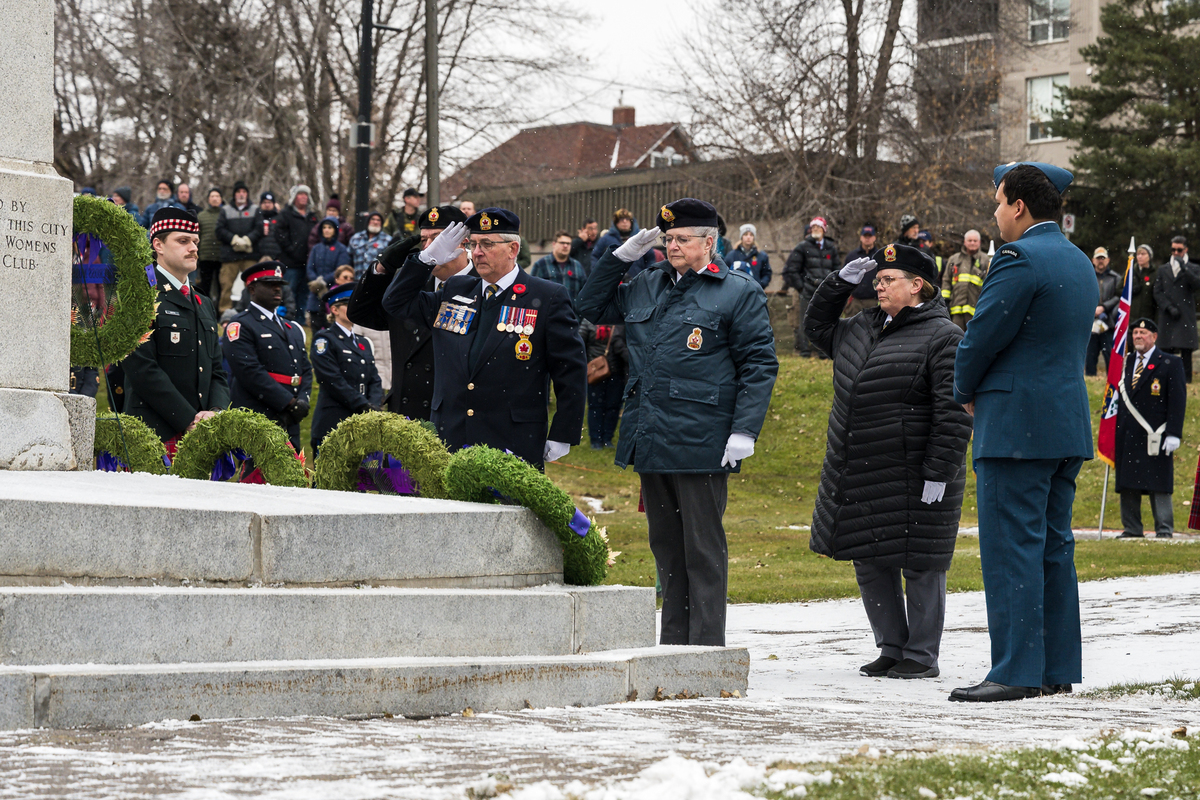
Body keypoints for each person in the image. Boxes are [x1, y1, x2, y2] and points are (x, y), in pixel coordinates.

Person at [575, 198, 778, 646]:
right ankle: (674, 643)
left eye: (683, 239)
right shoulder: (648, 282)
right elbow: (588, 305)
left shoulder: (737, 290)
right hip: (651, 432)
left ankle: (705, 647)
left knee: (702, 549)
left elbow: (759, 364)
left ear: (709, 242)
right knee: (666, 547)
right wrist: (619, 259)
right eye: (668, 239)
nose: (672, 246)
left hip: (702, 436)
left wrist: (744, 429)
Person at [951, 162, 1098, 703]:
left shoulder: (1017, 257)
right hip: (1063, 424)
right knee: (1053, 549)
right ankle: (1054, 668)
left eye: (998, 201)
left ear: (1019, 206)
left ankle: (1015, 670)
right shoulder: (1079, 261)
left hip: (1016, 425)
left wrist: (964, 389)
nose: (994, 212)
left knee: (1012, 548)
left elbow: (981, 336)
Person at [805, 243, 972, 680]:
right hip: (861, 469)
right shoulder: (862, 326)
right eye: (876, 280)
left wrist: (940, 472)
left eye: (887, 280)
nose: (878, 287)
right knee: (869, 558)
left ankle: (921, 654)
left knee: (920, 563)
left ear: (917, 285)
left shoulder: (944, 336)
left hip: (914, 472)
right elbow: (816, 327)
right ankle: (891, 646)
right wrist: (838, 284)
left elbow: (952, 412)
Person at [381, 208, 586, 469]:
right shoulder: (456, 289)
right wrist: (425, 259)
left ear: (513, 249)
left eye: (487, 244)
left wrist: (563, 431)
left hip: (511, 440)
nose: (477, 252)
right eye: (473, 244)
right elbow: (394, 303)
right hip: (451, 436)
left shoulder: (546, 296)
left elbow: (570, 369)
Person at [348, 205, 473, 420]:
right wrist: (383, 268)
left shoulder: (483, 286)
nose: (429, 247)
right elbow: (360, 313)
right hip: (408, 412)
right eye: (424, 240)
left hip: (455, 414)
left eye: (438, 239)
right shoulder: (408, 287)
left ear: (463, 241)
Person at [122, 208, 230, 451]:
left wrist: (215, 412)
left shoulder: (203, 302)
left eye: (195, 242)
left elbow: (216, 371)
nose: (193, 248)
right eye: (183, 241)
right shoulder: (138, 295)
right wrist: (188, 418)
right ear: (158, 245)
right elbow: (141, 369)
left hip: (202, 435)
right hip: (154, 434)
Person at [221, 262, 313, 452]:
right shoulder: (241, 324)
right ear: (252, 289)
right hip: (258, 413)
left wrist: (302, 401)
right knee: (256, 469)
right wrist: (288, 402)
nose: (277, 288)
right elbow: (249, 371)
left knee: (294, 467)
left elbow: (305, 368)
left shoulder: (292, 328)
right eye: (270, 284)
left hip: (290, 417)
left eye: (279, 284)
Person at [1115, 319, 1185, 539]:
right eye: (1135, 332)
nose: (1138, 336)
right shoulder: (1125, 362)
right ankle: (1132, 529)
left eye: (1143, 333)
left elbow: (1177, 400)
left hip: (1155, 434)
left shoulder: (1170, 362)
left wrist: (1174, 433)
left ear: (1154, 337)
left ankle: (1164, 529)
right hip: (1128, 433)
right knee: (1128, 483)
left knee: (1159, 483)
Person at [310, 282, 383, 456]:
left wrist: (373, 404)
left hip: (362, 423)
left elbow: (374, 379)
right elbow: (332, 380)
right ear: (334, 310)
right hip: (334, 421)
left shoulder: (363, 342)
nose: (354, 309)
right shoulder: (325, 339)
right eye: (348, 305)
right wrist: (363, 405)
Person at [783, 216, 839, 357]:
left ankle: (822, 351)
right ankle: (804, 350)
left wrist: (832, 286)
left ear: (824, 229)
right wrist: (801, 287)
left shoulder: (831, 248)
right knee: (805, 320)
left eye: (818, 227)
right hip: (807, 290)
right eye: (813, 227)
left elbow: (837, 269)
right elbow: (792, 269)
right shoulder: (803, 247)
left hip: (824, 291)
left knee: (824, 320)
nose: (815, 229)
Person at [1154, 236, 1200, 383]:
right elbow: (1157, 292)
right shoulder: (1163, 269)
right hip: (1168, 314)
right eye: (1173, 249)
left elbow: (1196, 285)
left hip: (1185, 315)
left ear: (1185, 250)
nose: (1175, 253)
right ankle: (1166, 379)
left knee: (1185, 350)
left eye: (1179, 250)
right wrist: (1168, 307)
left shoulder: (1194, 268)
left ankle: (1186, 380)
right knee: (1166, 349)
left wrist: (1185, 268)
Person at [578, 318, 628, 448]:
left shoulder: (618, 322)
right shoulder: (591, 321)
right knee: (597, 406)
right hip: (597, 372)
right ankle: (597, 439)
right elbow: (580, 343)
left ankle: (605, 438)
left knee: (612, 406)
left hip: (614, 371)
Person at [215, 180, 261, 313]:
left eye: (244, 192)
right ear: (234, 194)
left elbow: (259, 229)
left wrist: (248, 239)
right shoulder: (225, 210)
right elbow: (219, 230)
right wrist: (233, 239)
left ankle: (254, 311)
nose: (241, 194)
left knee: (253, 285)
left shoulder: (255, 209)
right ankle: (225, 313)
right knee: (226, 285)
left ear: (247, 194)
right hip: (230, 255)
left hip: (250, 255)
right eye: (239, 192)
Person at [277, 184, 319, 318]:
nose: (304, 197)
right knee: (289, 292)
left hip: (308, 263)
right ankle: (288, 318)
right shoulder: (286, 214)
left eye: (306, 194)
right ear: (294, 197)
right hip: (290, 263)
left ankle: (301, 320)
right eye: (300, 194)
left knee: (304, 293)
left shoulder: (312, 216)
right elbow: (280, 235)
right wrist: (291, 250)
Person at [306, 217, 353, 324]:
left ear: (335, 230)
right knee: (315, 323)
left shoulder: (341, 249)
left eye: (330, 227)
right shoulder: (316, 248)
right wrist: (316, 282)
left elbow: (340, 270)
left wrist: (324, 281)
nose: (326, 230)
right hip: (315, 293)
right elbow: (309, 268)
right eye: (324, 227)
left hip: (333, 291)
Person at [941, 230, 990, 330]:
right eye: (970, 240)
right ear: (964, 242)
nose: (972, 243)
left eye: (975, 241)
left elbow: (989, 283)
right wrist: (945, 301)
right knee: (956, 336)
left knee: (974, 336)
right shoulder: (954, 259)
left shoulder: (985, 260)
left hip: (976, 310)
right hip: (956, 309)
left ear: (979, 242)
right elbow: (946, 280)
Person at [1086, 247, 1122, 376]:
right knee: (1090, 355)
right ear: (1093, 260)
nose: (1100, 261)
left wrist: (1104, 308)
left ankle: (1111, 381)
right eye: (1098, 258)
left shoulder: (1116, 278)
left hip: (1108, 322)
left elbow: (1119, 297)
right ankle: (1090, 380)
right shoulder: (1087, 277)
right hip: (1090, 322)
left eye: (1103, 258)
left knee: (1109, 355)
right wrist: (1093, 309)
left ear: (1108, 260)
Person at [592, 209, 655, 278]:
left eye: (627, 219)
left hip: (637, 278)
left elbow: (650, 258)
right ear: (616, 223)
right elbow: (595, 256)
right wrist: (600, 275)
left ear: (631, 222)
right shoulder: (606, 239)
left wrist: (646, 275)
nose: (625, 222)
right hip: (612, 279)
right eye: (621, 219)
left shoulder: (640, 238)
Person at [532, 230, 588, 305]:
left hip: (571, 311)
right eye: (562, 243)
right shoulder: (541, 265)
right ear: (554, 244)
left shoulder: (577, 266)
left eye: (568, 243)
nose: (565, 246)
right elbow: (533, 290)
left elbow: (585, 293)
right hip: (548, 311)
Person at [842, 224, 880, 318]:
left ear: (874, 237)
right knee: (851, 326)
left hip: (874, 301)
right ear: (861, 237)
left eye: (870, 236)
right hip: (855, 301)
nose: (867, 238)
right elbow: (844, 278)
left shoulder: (879, 256)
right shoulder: (852, 256)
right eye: (865, 236)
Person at [196, 187, 223, 299]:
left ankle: (219, 308)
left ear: (221, 199)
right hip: (205, 256)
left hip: (222, 256)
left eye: (217, 196)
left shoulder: (225, 214)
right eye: (212, 196)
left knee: (221, 285)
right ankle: (205, 306)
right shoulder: (201, 215)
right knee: (205, 285)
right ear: (208, 199)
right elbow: (197, 236)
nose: (215, 198)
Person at [726, 224, 772, 289]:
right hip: (736, 291)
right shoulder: (732, 255)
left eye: (751, 235)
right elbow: (725, 272)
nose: (748, 237)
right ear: (741, 237)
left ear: (754, 237)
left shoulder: (762, 256)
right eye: (745, 234)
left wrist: (760, 285)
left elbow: (767, 273)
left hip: (755, 291)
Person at [348, 211, 392, 278]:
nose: (375, 222)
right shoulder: (356, 238)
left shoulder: (388, 240)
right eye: (373, 219)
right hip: (356, 279)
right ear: (368, 221)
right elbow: (348, 259)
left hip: (377, 281)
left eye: (378, 220)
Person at [1128, 244, 1158, 335]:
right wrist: (1130, 291)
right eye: (1138, 254)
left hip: (1148, 317)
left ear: (1150, 256)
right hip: (1131, 318)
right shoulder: (1131, 271)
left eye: (1143, 254)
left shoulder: (1155, 273)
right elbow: (1118, 290)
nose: (1140, 256)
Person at [254, 192, 284, 263]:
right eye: (264, 202)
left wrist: (280, 257)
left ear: (273, 204)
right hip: (258, 258)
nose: (267, 205)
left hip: (275, 258)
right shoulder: (256, 217)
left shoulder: (280, 218)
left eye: (269, 202)